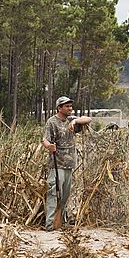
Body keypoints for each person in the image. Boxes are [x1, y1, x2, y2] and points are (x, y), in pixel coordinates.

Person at [41, 96, 92, 230]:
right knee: (53, 193)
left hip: (69, 164)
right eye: (67, 106)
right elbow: (45, 140)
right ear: (59, 108)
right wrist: (49, 147)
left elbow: (88, 119)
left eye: (71, 106)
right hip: (56, 164)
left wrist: (75, 121)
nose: (70, 108)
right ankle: (50, 225)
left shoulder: (71, 120)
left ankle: (60, 221)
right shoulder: (52, 122)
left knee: (65, 195)